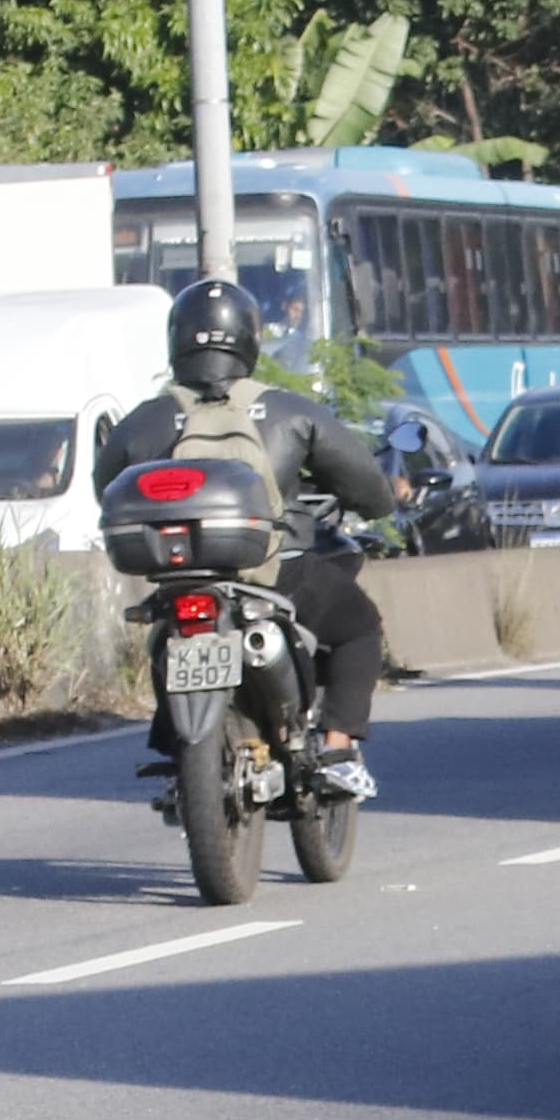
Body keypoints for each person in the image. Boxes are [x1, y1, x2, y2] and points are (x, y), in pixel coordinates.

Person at [105, 278, 397, 788]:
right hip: (276, 573)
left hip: (178, 579)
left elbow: (108, 492)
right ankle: (337, 749)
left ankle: (175, 744)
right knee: (359, 626)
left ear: (176, 340)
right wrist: (374, 502)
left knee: (163, 636)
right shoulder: (289, 411)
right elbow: (369, 488)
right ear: (249, 338)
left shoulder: (141, 422)